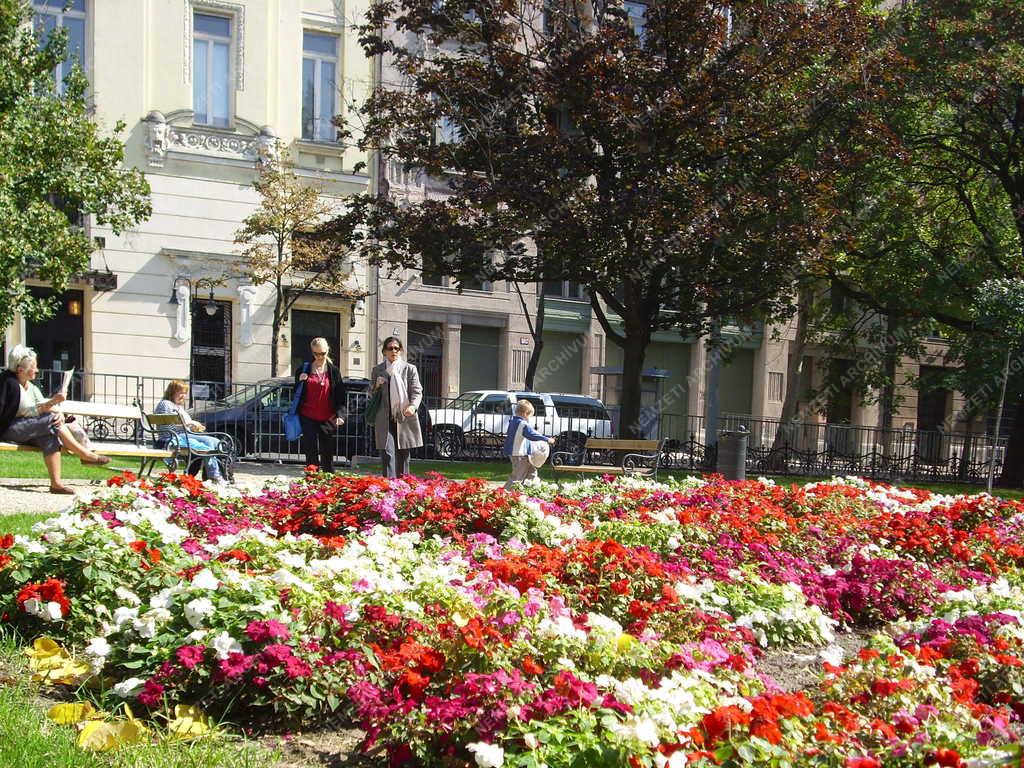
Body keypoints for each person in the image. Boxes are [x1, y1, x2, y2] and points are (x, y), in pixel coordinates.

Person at [0, 345, 109, 495]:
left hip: (29, 429)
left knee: (50, 435)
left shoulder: (31, 387)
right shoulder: (10, 383)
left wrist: (58, 413)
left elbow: (43, 405)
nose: (37, 370)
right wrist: (52, 404)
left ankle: (56, 484)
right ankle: (85, 455)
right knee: (51, 421)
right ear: (20, 370)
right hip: (10, 428)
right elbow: (26, 411)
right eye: (34, 367)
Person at [154, 380, 228, 484]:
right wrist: (189, 424)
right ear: (171, 392)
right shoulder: (166, 404)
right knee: (207, 447)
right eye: (180, 392)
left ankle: (214, 474)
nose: (183, 396)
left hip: (183, 435)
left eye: (185, 393)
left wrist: (193, 426)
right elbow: (169, 426)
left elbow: (179, 424)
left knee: (214, 441)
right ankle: (214, 476)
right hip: (174, 438)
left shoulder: (176, 406)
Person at [370, 336, 423, 478]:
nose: (394, 351)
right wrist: (377, 385)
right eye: (390, 348)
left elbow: (417, 391)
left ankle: (403, 487)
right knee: (387, 453)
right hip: (384, 418)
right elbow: (371, 392)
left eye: (396, 348)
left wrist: (413, 406)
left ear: (401, 351)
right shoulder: (378, 370)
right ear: (384, 352)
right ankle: (389, 486)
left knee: (404, 456)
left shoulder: (409, 369)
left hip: (404, 416)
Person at [294, 338, 347, 472]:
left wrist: (341, 415)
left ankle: (329, 480)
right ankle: (312, 478)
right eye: (316, 354)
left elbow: (340, 395)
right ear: (312, 352)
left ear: (327, 351)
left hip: (328, 416)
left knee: (327, 449)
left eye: (322, 353)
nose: (319, 357)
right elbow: (297, 393)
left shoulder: (333, 371)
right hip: (307, 415)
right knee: (310, 448)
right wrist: (300, 381)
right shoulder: (303, 369)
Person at [503, 399, 555, 490]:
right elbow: (532, 435)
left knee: (531, 472)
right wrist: (547, 439)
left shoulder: (512, 422)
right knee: (517, 476)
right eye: (530, 416)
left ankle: (530, 490)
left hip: (521, 454)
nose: (529, 418)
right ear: (525, 413)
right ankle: (504, 493)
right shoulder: (522, 424)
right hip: (519, 454)